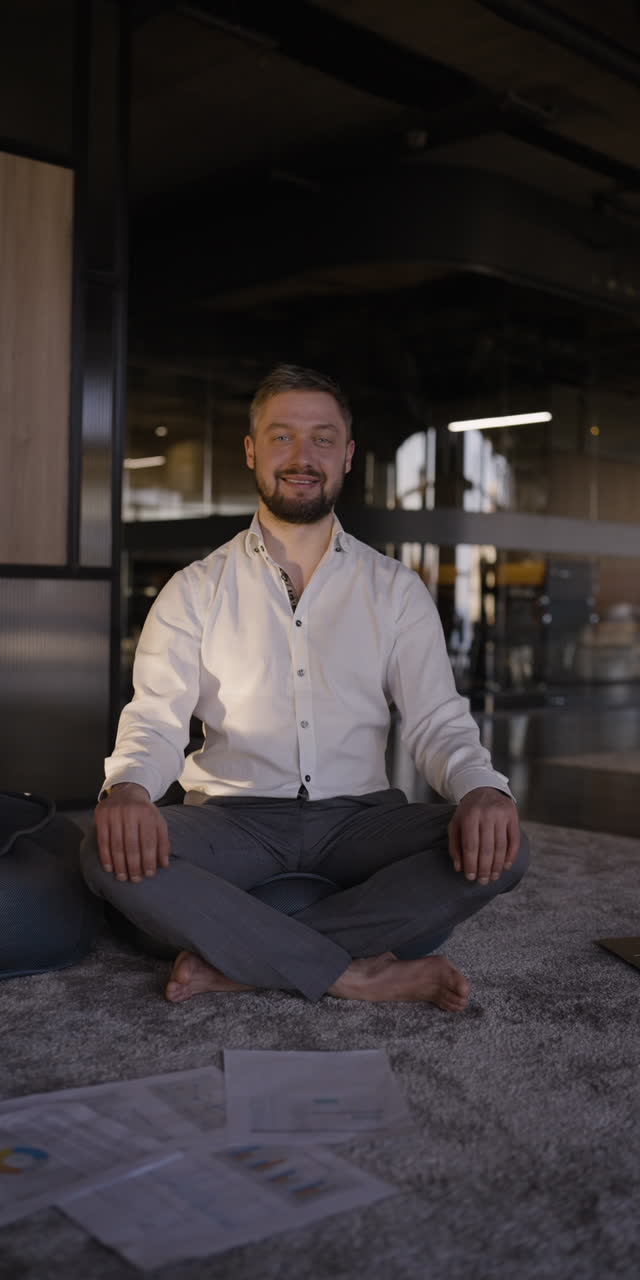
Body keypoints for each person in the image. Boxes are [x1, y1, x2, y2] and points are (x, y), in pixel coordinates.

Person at [80, 364, 528, 1012]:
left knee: (506, 845)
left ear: (347, 456)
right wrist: (126, 790)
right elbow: (155, 718)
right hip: (234, 823)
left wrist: (484, 790)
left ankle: (240, 964)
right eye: (282, 436)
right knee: (104, 849)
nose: (302, 456)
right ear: (252, 451)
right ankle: (354, 974)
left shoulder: (393, 590)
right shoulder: (194, 590)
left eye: (322, 438)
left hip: (361, 822)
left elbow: (436, 721)